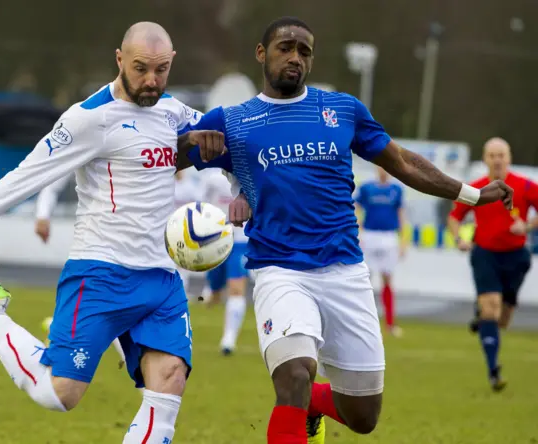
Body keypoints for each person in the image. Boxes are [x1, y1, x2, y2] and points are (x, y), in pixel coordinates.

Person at [177, 16, 513, 444]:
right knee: (295, 374)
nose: (295, 57)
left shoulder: (342, 110)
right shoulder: (233, 120)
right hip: (280, 270)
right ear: (262, 54)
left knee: (363, 414)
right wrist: (190, 144)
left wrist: (471, 194)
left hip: (345, 272)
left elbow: (403, 162)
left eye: (304, 50)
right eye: (285, 47)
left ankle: (317, 403)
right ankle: (302, 401)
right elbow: (166, 159)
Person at [0, 22, 224, 443]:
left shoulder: (173, 111)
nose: (151, 81)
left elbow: (231, 140)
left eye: (161, 70)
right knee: (59, 394)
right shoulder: (88, 118)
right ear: (119, 59)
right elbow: (22, 178)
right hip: (100, 274)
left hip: (161, 276)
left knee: (169, 383)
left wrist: (241, 188)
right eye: (140, 69)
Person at [447, 137, 538, 392]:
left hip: (517, 257)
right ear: (485, 159)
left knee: (502, 318)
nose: (497, 160)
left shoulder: (525, 186)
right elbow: (454, 217)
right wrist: (458, 238)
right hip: (485, 254)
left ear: (509, 158)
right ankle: (493, 371)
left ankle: (483, 319)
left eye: (502, 155)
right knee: (491, 308)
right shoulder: (475, 189)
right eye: (492, 155)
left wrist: (528, 225)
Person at [33, 174, 127, 367]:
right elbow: (54, 178)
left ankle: (60, 333)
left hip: (131, 243)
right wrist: (42, 215)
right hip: (95, 243)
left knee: (110, 303)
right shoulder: (89, 145)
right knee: (105, 300)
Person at [202, 169, 249, 355]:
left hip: (241, 240)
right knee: (214, 294)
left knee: (237, 288)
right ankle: (210, 293)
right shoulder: (211, 177)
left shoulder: (248, 170)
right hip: (217, 241)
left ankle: (228, 340)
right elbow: (202, 207)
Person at [354, 167, 406, 337]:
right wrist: (358, 230)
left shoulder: (396, 190)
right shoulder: (367, 188)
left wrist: (403, 240)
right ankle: (361, 322)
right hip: (369, 235)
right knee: (364, 278)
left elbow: (401, 214)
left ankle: (390, 323)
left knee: (387, 278)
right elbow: (356, 208)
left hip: (389, 236)